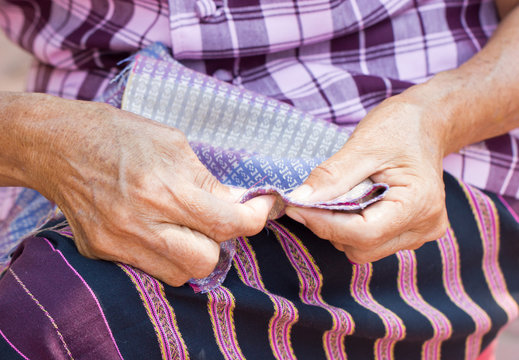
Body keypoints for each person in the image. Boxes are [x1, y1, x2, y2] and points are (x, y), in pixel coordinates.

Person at [0, 0, 518, 359]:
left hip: (412, 162)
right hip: (90, 153)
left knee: (67, 312)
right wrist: (36, 138)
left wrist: (436, 118)